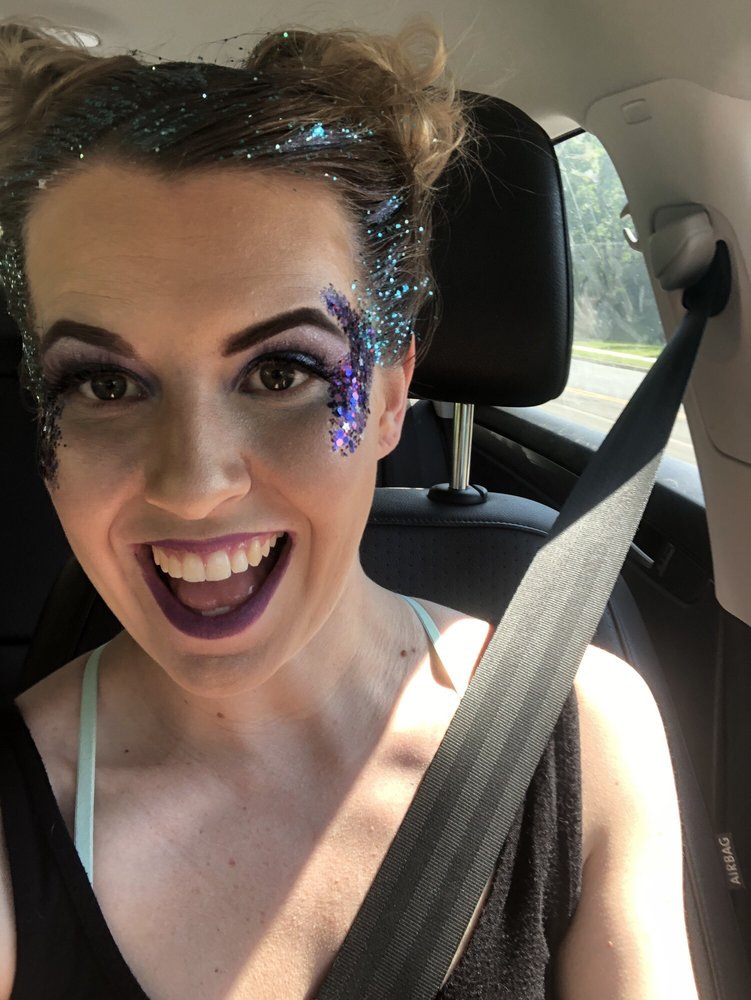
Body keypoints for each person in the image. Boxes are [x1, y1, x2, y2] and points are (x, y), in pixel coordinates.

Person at [0, 18, 698, 1000]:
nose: (192, 484)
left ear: (387, 395)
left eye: (280, 371)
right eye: (103, 386)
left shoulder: (582, 735)